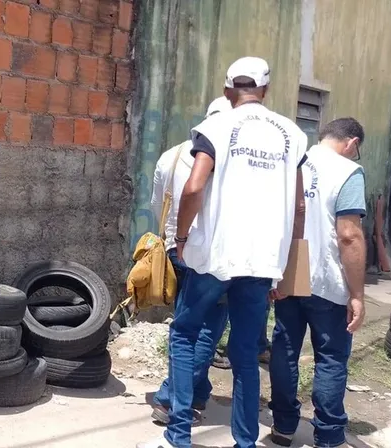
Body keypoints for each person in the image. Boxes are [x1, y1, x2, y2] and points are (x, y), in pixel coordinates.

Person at [138, 56, 308, 448]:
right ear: (265, 89)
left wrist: (181, 237)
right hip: (263, 261)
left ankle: (177, 436)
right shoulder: (293, 135)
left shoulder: (216, 125)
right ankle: (244, 443)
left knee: (184, 336)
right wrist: (288, 266)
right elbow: (298, 206)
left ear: (228, 90)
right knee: (245, 353)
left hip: (214, 258)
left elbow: (195, 187)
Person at [268, 118, 367, 448]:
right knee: (331, 357)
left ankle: (282, 425)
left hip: (289, 272)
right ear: (351, 143)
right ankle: (328, 435)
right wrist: (357, 294)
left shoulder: (293, 160)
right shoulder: (347, 171)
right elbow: (349, 234)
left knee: (284, 349)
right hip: (327, 278)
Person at [149, 97, 232, 427]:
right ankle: (171, 399)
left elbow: (159, 205)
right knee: (204, 330)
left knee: (187, 323)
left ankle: (198, 393)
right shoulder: (226, 158)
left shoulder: (171, 156)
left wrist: (175, 239)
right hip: (211, 255)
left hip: (175, 249)